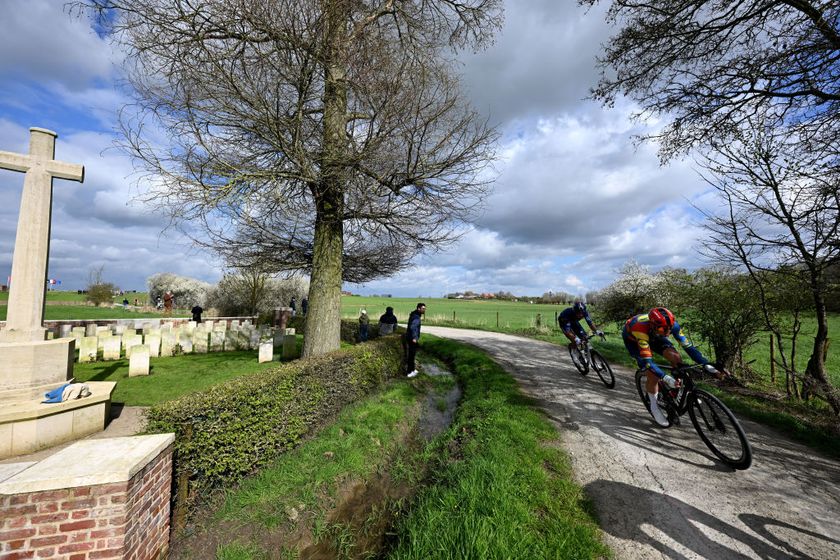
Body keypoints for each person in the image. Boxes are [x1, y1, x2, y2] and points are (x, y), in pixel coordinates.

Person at [623, 307, 716, 427]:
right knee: (653, 374)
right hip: (634, 340)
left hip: (655, 334)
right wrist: (665, 378)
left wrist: (707, 364)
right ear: (653, 325)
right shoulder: (640, 328)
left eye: (670, 329)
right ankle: (654, 405)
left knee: (676, 358)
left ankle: (678, 392)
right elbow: (648, 362)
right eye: (664, 329)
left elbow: (689, 348)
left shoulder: (671, 326)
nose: (667, 333)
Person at [403, 303, 426, 378]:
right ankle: (409, 372)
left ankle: (413, 369)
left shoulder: (415, 315)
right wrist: (414, 338)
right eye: (423, 308)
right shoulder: (416, 317)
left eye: (424, 308)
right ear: (418, 308)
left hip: (410, 337)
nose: (424, 310)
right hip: (412, 338)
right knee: (411, 355)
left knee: (412, 354)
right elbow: (413, 327)